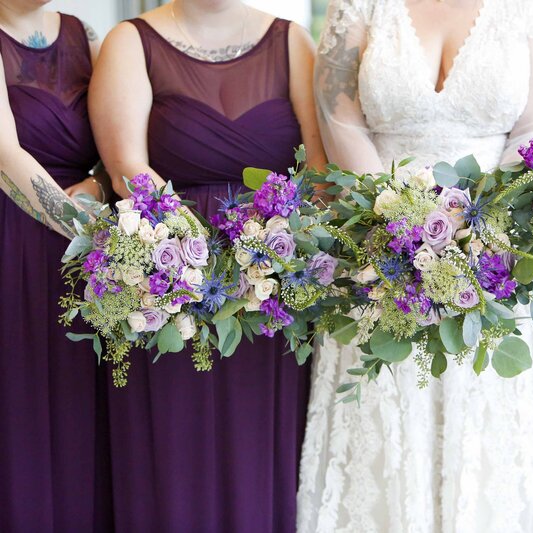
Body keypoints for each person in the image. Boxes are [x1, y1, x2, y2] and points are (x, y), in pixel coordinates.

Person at [298, 1, 533, 531]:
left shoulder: (524, 9)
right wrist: (398, 224)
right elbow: (338, 117)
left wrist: (478, 229)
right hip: (378, 259)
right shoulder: (362, 7)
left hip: (493, 260)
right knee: (383, 428)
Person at [89, 0, 325, 530]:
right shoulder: (130, 41)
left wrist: (271, 247)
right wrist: (194, 252)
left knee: (259, 445)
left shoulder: (293, 42)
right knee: (173, 445)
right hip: (167, 276)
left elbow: (317, 165)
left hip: (271, 279)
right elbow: (127, 167)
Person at [0, 1, 112, 530]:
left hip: (86, 249)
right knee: (19, 401)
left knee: (79, 403)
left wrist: (97, 186)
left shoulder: (84, 35)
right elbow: (5, 154)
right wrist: (82, 227)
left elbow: (113, 144)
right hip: (15, 237)